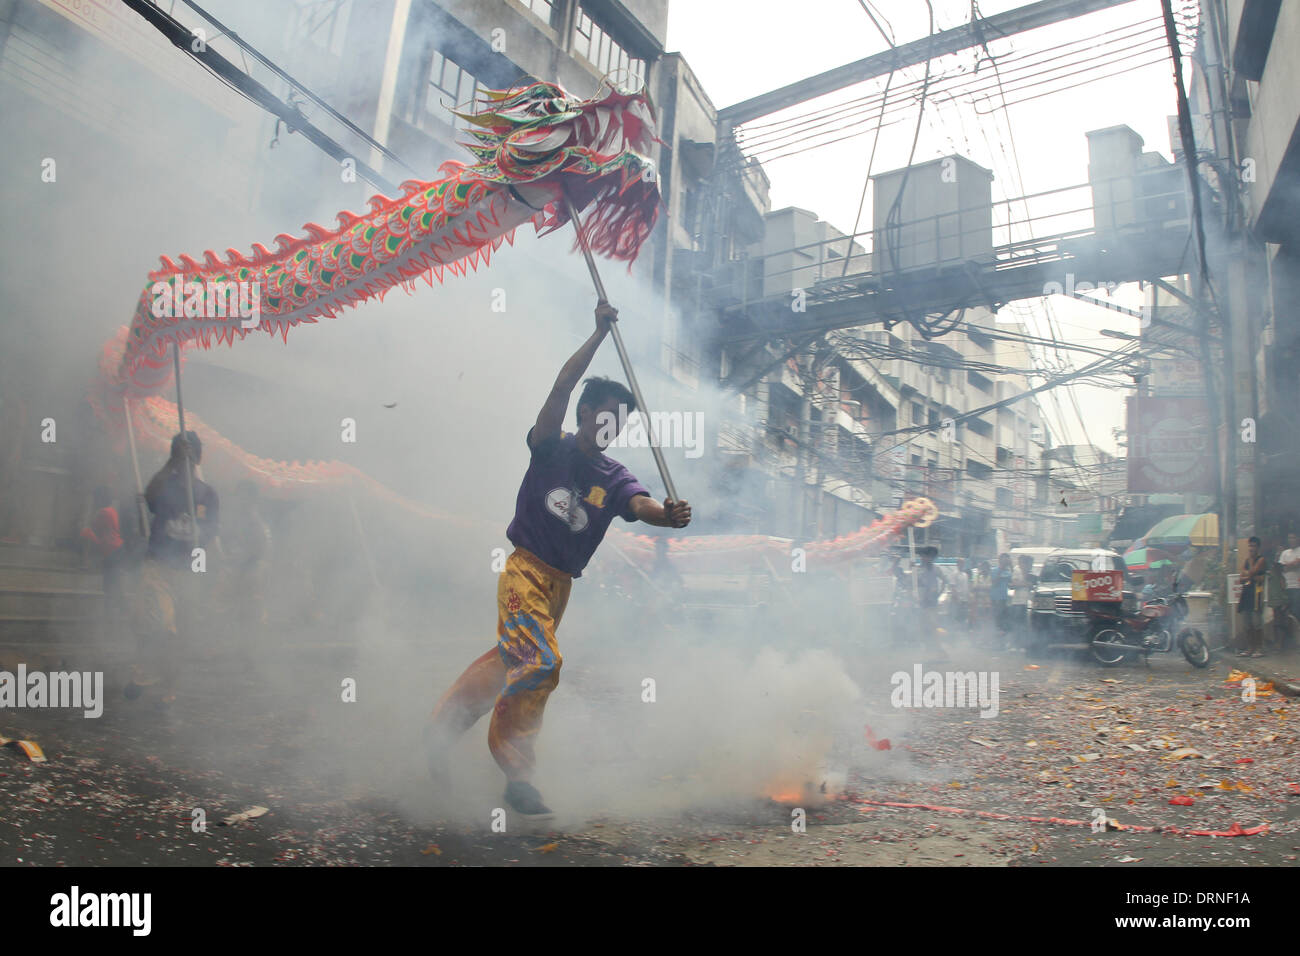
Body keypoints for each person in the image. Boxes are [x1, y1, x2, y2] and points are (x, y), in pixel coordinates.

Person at [426, 302, 691, 818]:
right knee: (541, 661)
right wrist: (596, 335)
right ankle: (517, 775)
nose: (610, 424)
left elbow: (642, 508)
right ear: (584, 415)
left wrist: (669, 513)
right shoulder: (552, 446)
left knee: (514, 662)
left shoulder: (616, 477)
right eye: (603, 414)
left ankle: (443, 726)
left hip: (560, 586)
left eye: (620, 419)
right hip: (525, 570)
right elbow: (559, 389)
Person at [126, 431, 220, 706]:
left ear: (199, 457)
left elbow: (212, 529)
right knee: (157, 622)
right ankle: (145, 672)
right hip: (159, 564)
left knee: (182, 632)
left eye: (190, 454)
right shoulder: (165, 484)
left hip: (189, 569)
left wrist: (198, 535)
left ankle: (170, 685)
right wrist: (171, 463)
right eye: (180, 454)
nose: (186, 460)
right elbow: (150, 499)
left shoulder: (207, 494)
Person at [81, 485, 125, 629]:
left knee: (110, 585)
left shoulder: (102, 513)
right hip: (117, 549)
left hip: (110, 551)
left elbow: (97, 533)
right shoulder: (112, 511)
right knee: (114, 583)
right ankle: (114, 614)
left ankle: (111, 616)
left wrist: (90, 534)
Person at [915, 546, 948, 658]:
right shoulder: (918, 569)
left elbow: (945, 581)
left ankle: (939, 649)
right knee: (924, 626)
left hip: (932, 603)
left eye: (928, 556)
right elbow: (910, 583)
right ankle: (928, 649)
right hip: (921, 603)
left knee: (934, 625)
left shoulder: (936, 569)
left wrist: (938, 594)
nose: (925, 558)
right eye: (923, 556)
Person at [1237, 536, 1267, 659]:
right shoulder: (1246, 560)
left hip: (1256, 594)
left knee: (1256, 623)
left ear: (1258, 547)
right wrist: (1249, 576)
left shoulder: (1261, 559)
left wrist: (1248, 574)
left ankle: (1259, 648)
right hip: (1246, 593)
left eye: (1253, 546)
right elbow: (1241, 578)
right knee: (1247, 623)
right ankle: (1250, 648)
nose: (1251, 548)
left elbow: (1252, 571)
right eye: (1249, 546)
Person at [1008, 555, 1036, 651]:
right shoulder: (1017, 570)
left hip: (1025, 602)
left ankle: (1022, 645)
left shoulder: (1029, 572)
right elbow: (1014, 584)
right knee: (1016, 624)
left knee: (1023, 625)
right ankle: (1014, 645)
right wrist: (1026, 584)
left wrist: (1026, 584)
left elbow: (1032, 585)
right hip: (1017, 602)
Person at [1278, 532, 1300, 636]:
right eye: (1289, 537)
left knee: (1296, 611)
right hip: (1286, 586)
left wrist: (1287, 565)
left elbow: (1297, 564)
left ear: (1298, 539)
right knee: (1285, 613)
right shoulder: (1285, 553)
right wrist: (1291, 565)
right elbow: (1280, 568)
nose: (1291, 540)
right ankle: (1290, 637)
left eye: (1293, 537)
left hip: (1297, 586)